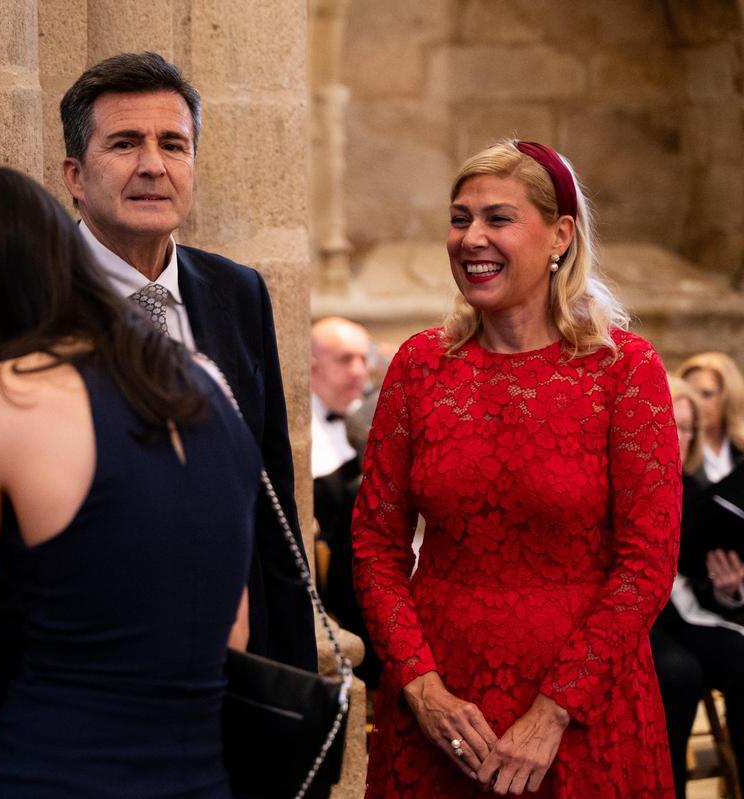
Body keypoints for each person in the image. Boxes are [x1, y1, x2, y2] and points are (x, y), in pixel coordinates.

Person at [0, 167, 259, 795]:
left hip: (48, 772)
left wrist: (21, 775)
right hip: (197, 776)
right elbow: (234, 632)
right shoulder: (206, 380)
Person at [352, 139, 681, 797]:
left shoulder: (623, 370)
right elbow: (375, 545)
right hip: (441, 710)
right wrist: (420, 685)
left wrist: (554, 710)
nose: (471, 237)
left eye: (497, 218)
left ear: (561, 234)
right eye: (459, 219)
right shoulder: (419, 366)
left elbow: (646, 563)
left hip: (583, 709)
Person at [49, 51, 315, 674]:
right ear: (75, 176)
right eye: (124, 144)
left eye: (173, 145)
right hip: (89, 663)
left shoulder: (238, 292)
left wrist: (293, 672)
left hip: (231, 669)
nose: (153, 165)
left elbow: (272, 498)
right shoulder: (30, 297)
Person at [651, 376, 744, 798]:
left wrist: (728, 589)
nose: (679, 436)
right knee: (678, 674)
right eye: (670, 424)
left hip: (685, 615)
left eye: (687, 428)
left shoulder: (692, 490)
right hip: (641, 622)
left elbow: (701, 581)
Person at [309, 316, 381, 686]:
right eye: (344, 359)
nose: (358, 371)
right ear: (311, 367)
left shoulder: (363, 417)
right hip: (336, 589)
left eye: (363, 359)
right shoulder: (298, 429)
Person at [678, 351, 744, 483]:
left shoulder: (739, 448)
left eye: (706, 394)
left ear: (729, 397)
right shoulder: (680, 447)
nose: (696, 402)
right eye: (689, 394)